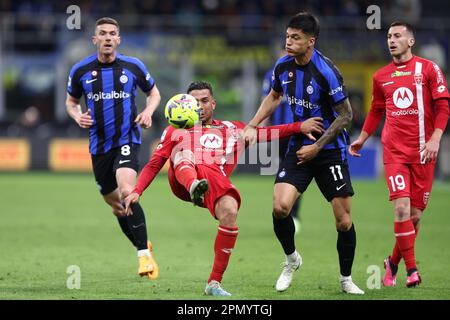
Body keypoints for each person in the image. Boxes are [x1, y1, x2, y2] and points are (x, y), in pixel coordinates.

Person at [124, 81, 323, 296]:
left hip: (213, 186)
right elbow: (155, 163)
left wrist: (299, 126)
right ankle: (193, 185)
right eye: (194, 102)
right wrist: (137, 191)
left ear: (214, 103)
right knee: (184, 154)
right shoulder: (176, 128)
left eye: (204, 101)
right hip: (183, 183)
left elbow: (267, 132)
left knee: (230, 211)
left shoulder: (232, 129)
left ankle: (214, 283)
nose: (199, 106)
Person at [243, 12, 365, 294]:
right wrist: (252, 125)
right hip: (299, 146)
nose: (288, 42)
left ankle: (346, 279)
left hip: (329, 150)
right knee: (279, 207)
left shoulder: (326, 71)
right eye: (287, 36)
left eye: (295, 38)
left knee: (344, 221)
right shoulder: (282, 66)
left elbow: (346, 115)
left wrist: (318, 146)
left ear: (310, 41)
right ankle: (291, 260)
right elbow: (274, 97)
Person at [349, 21, 450, 287]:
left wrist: (435, 139)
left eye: (397, 36)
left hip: (424, 153)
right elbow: (375, 111)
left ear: (411, 41)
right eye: (388, 36)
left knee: (415, 217)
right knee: (402, 208)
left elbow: (443, 107)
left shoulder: (429, 69)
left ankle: (392, 263)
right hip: (394, 151)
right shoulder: (381, 76)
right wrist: (361, 138)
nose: (391, 40)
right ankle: (412, 270)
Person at [66, 17, 161, 280]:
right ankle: (143, 246)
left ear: (118, 39)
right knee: (117, 206)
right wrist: (76, 116)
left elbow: (154, 93)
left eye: (113, 34)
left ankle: (143, 256)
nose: (108, 38)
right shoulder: (81, 70)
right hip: (99, 147)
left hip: (128, 139)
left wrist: (148, 111)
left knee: (128, 192)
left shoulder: (133, 66)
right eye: (103, 34)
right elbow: (71, 101)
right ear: (94, 40)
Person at [262, 49, 302, 234]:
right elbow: (267, 101)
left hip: (299, 131)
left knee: (295, 170)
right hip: (279, 133)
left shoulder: (303, 74)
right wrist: (261, 127)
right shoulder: (271, 74)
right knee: (284, 170)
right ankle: (285, 211)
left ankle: (293, 214)